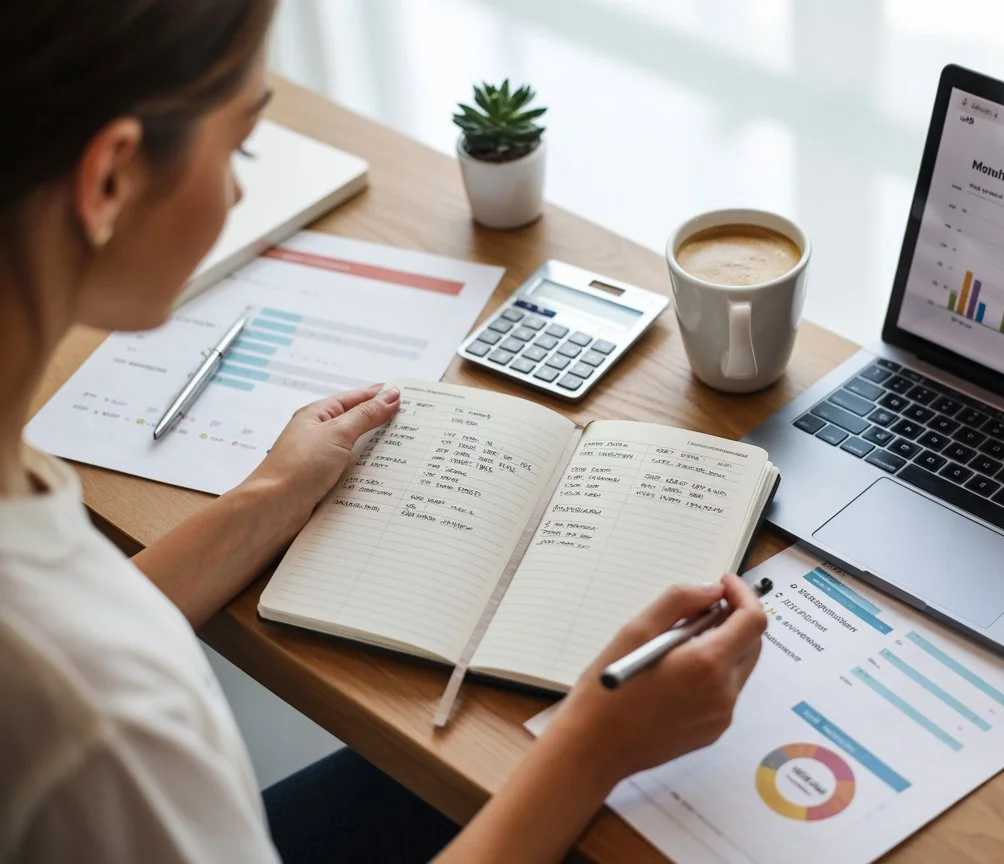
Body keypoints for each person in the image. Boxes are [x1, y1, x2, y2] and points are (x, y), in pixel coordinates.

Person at [0, 2, 768, 862]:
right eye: (239, 148)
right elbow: (79, 659)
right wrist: (597, 745)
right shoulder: (102, 732)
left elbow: (89, 622)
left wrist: (272, 494)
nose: (242, 192)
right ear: (110, 181)